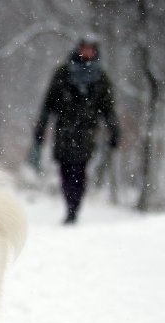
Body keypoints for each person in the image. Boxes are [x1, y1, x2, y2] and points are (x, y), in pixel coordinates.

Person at [28, 39, 120, 224]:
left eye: (90, 49)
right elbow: (48, 105)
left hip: (86, 133)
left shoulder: (101, 78)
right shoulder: (62, 74)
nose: (86, 52)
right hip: (64, 132)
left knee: (79, 171)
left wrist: (114, 130)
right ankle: (70, 205)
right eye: (84, 48)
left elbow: (108, 109)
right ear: (78, 49)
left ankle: (74, 209)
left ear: (95, 51)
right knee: (65, 171)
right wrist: (41, 129)